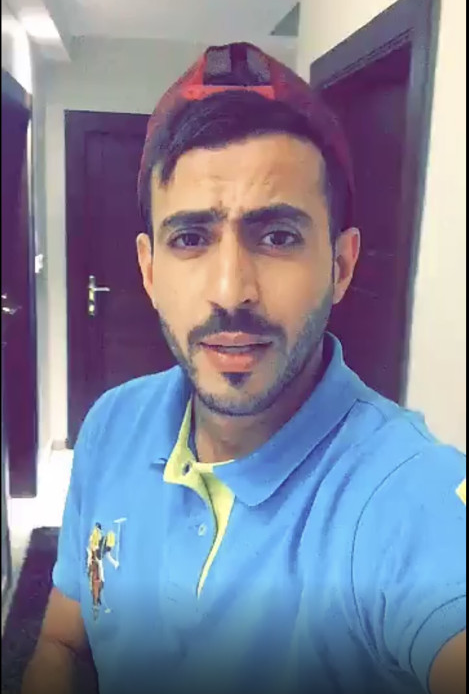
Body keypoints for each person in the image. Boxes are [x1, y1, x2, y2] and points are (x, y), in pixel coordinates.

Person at [22, 42, 466, 694]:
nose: (231, 290)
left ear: (340, 266)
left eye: (278, 236)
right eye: (190, 238)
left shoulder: (407, 494)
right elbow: (62, 640)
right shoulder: (112, 426)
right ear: (149, 270)